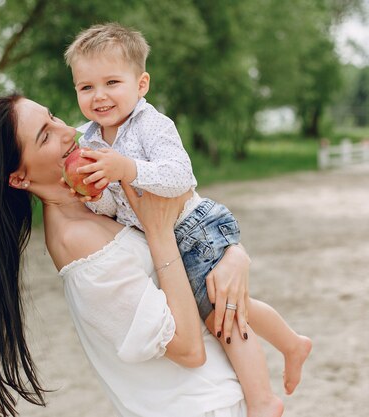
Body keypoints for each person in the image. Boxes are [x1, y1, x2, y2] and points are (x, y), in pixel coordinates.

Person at [0, 93, 257, 417]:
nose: (67, 132)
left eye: (52, 117)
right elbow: (188, 349)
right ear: (18, 178)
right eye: (45, 136)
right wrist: (159, 235)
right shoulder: (78, 243)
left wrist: (233, 256)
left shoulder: (95, 198)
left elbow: (189, 223)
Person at [63, 23, 312, 417]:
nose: (100, 96)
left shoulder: (152, 125)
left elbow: (179, 176)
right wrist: (93, 196)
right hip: (164, 235)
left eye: (112, 82)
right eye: (86, 87)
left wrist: (127, 167)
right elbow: (117, 206)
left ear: (141, 83)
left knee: (221, 314)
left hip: (193, 226)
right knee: (229, 305)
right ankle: (292, 343)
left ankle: (263, 399)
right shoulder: (86, 141)